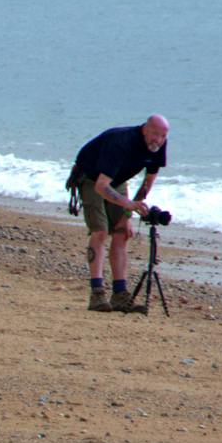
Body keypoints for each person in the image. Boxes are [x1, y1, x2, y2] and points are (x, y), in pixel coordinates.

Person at [69, 115, 168, 312]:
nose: (158, 139)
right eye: (155, 134)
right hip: (92, 177)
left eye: (163, 136)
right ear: (145, 130)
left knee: (122, 231)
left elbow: (148, 182)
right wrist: (127, 203)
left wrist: (130, 210)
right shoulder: (122, 142)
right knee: (100, 231)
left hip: (117, 179)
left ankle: (120, 295)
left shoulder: (159, 145)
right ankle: (97, 294)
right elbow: (101, 186)